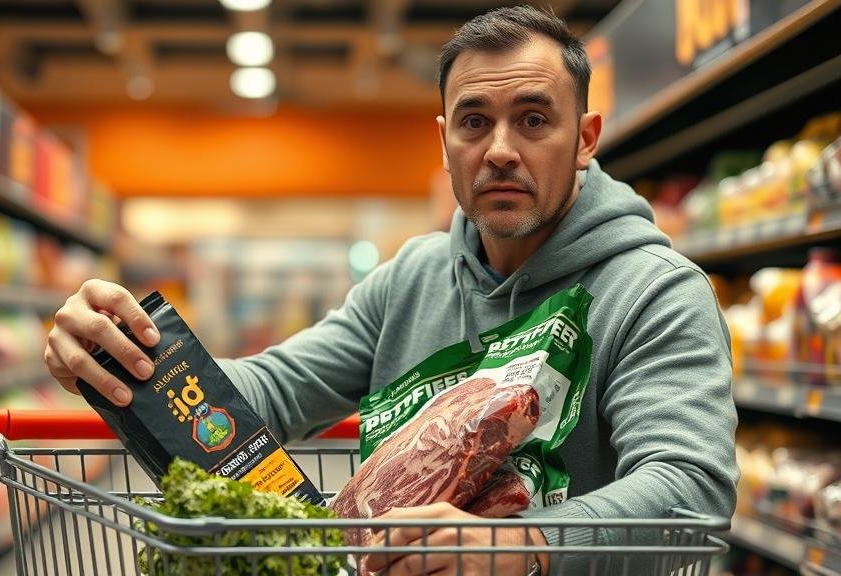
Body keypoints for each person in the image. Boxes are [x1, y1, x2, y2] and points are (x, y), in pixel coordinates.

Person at [44, 5, 738, 574]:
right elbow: (270, 393)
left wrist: (525, 544)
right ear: (445, 143)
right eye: (474, 121)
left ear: (585, 137)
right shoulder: (411, 279)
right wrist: (127, 356)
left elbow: (689, 490)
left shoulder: (655, 291)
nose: (499, 148)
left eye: (533, 119)